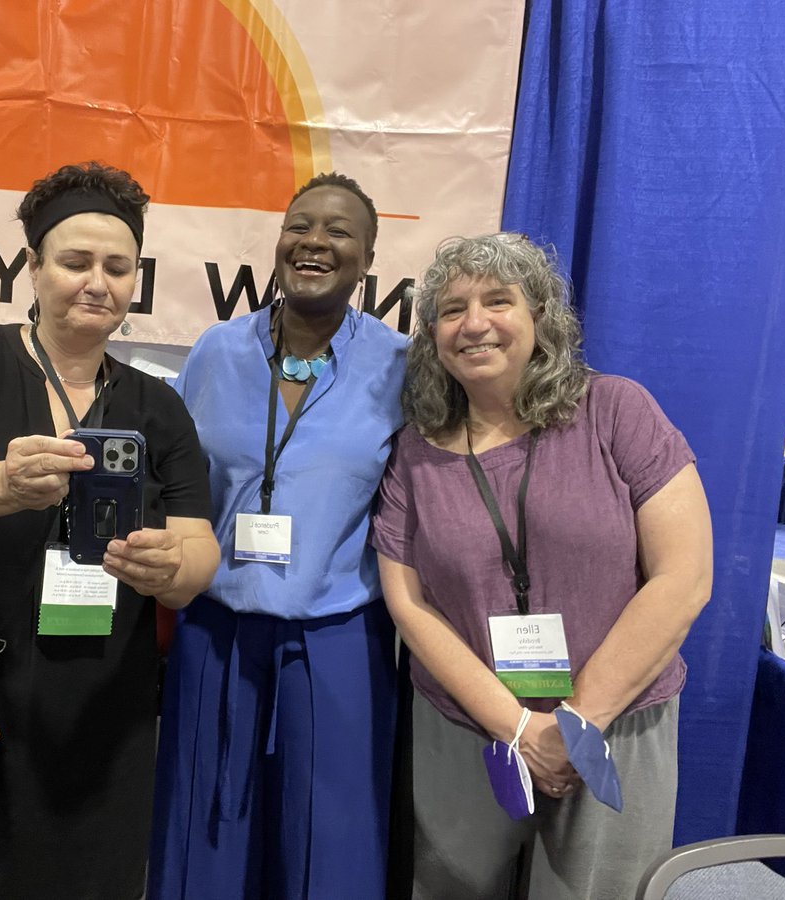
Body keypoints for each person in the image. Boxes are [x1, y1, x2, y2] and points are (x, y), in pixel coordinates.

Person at [0, 161, 219, 899]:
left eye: (117, 268)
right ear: (32, 266)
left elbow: (200, 548)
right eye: (75, 262)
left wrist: (173, 568)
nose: (97, 283)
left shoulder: (157, 407)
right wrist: (3, 485)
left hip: (103, 717)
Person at [370, 233, 713, 899]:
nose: (474, 323)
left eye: (498, 301)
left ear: (540, 317)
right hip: (467, 730)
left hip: (617, 726)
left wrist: (577, 724)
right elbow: (409, 604)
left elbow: (685, 576)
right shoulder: (415, 452)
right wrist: (520, 726)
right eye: (451, 309)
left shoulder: (616, 411)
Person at [149, 172, 408, 899]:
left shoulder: (400, 365)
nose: (314, 242)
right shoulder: (217, 349)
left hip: (338, 635)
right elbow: (176, 479)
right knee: (204, 834)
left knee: (331, 842)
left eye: (339, 231)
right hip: (215, 629)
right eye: (300, 225)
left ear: (367, 260)